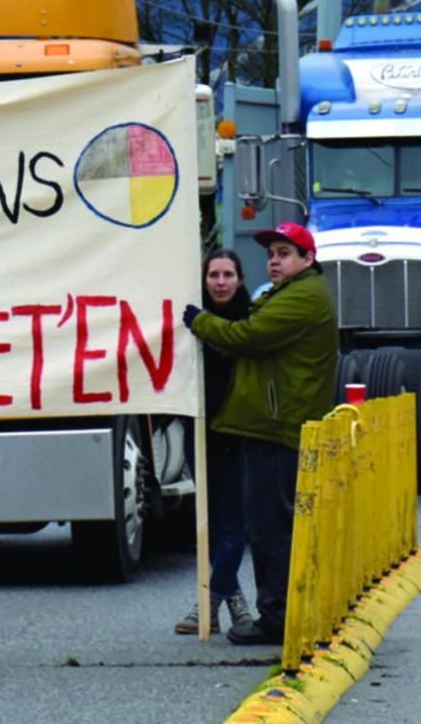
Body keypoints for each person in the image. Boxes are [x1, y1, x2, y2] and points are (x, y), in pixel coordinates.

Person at [184, 222, 337, 646]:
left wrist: (200, 322)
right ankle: (278, 610)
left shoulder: (302, 297)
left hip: (279, 424)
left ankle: (277, 618)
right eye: (271, 253)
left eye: (285, 252)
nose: (274, 260)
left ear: (307, 259)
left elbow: (247, 337)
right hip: (274, 422)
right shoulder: (287, 294)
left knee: (271, 529)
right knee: (267, 525)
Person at [174, 248, 254, 636]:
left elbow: (237, 346)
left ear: (240, 279)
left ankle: (208, 603)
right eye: (213, 276)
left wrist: (203, 325)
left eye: (228, 275)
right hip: (198, 427)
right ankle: (235, 603)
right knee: (209, 522)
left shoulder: (252, 318)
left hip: (237, 430)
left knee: (233, 525)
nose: (220, 283)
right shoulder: (186, 320)